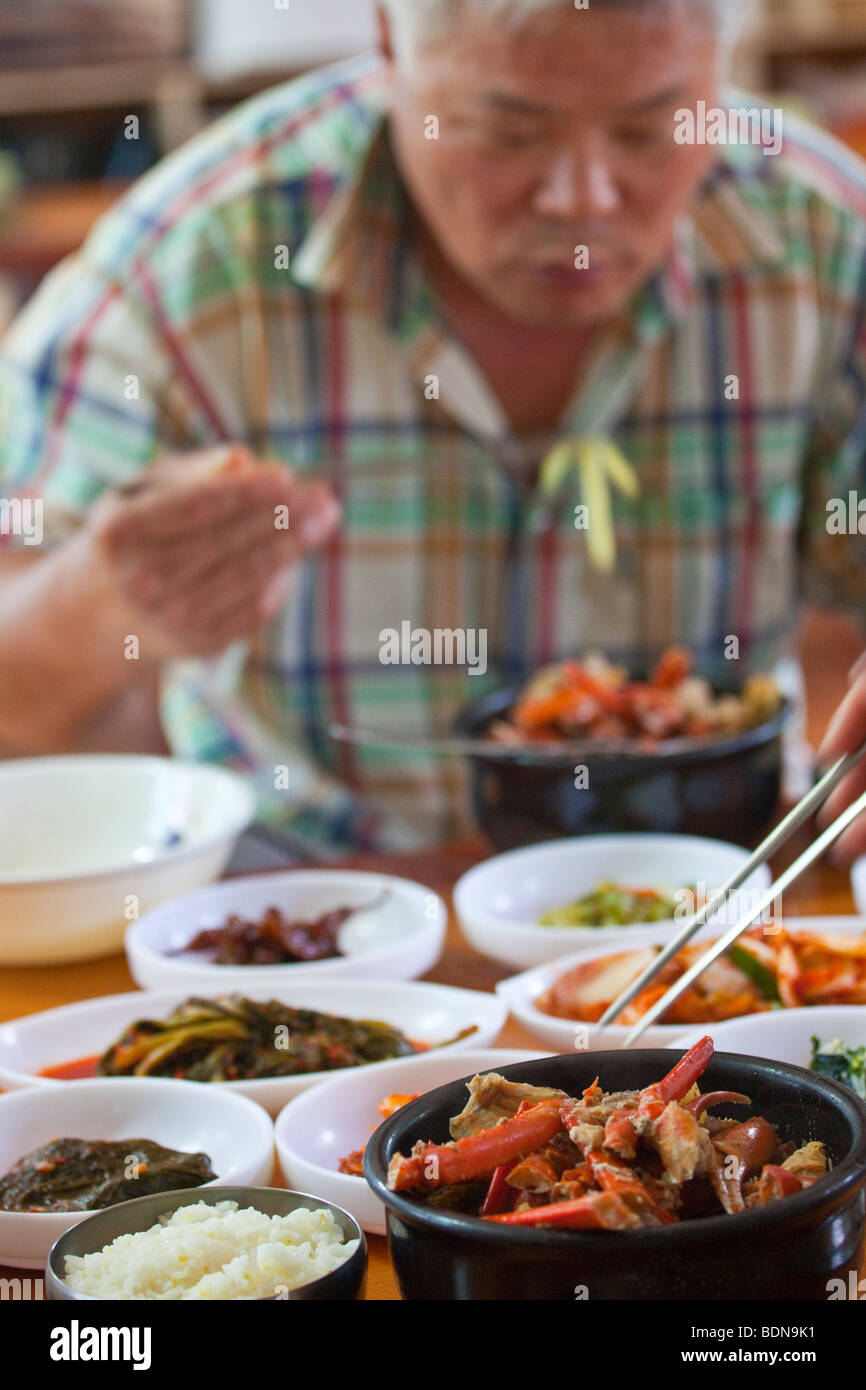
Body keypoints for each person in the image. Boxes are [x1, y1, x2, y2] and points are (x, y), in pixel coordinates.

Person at [1, 0, 866, 855]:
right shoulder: (193, 262)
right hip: (313, 913)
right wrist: (108, 599)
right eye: (509, 131)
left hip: (720, 895)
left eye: (649, 129)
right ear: (387, 42)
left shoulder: (824, 234)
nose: (582, 199)